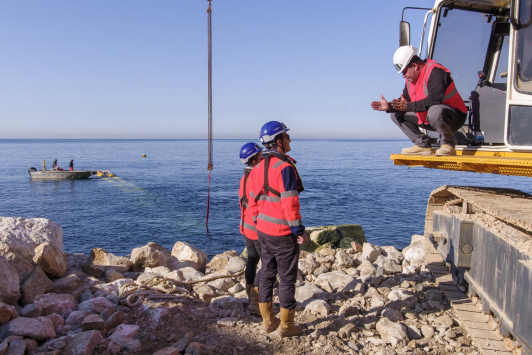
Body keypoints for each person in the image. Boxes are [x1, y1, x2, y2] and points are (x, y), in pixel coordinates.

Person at [247, 121, 307, 338]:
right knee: (287, 279)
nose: (290, 141)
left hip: (263, 231)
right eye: (287, 137)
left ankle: (267, 322)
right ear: (279, 141)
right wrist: (298, 231)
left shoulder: (256, 168)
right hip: (282, 234)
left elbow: (252, 203)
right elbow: (290, 203)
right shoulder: (285, 167)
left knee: (267, 274)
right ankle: (287, 327)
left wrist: (259, 223)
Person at [371, 45, 467, 156]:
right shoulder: (410, 81)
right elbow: (405, 102)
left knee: (434, 110)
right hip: (431, 119)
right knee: (395, 115)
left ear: (415, 66)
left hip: (454, 117)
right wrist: (389, 106)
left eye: (404, 71)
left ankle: (448, 144)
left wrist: (407, 106)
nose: (403, 76)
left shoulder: (435, 72)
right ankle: (422, 145)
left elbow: (433, 101)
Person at [238, 142, 263, 316]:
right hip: (256, 227)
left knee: (252, 260)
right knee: (269, 263)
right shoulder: (257, 177)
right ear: (255, 159)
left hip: (246, 225)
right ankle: (255, 302)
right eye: (261, 155)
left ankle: (249, 295)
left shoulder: (244, 177)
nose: (263, 157)